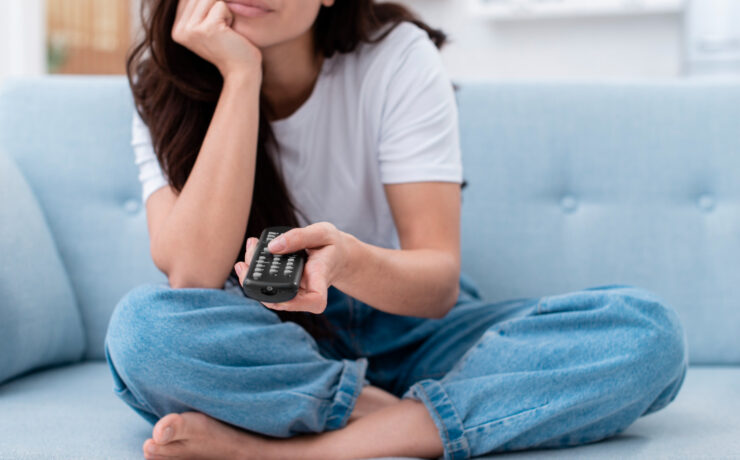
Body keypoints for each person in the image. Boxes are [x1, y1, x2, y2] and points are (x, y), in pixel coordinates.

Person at [104, 1, 689, 459]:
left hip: (411, 331)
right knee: (143, 331)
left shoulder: (397, 58)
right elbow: (192, 274)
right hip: (273, 347)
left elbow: (436, 286)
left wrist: (348, 261)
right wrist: (239, 76)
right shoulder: (163, 86)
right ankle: (393, 417)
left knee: (646, 334)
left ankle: (306, 451)